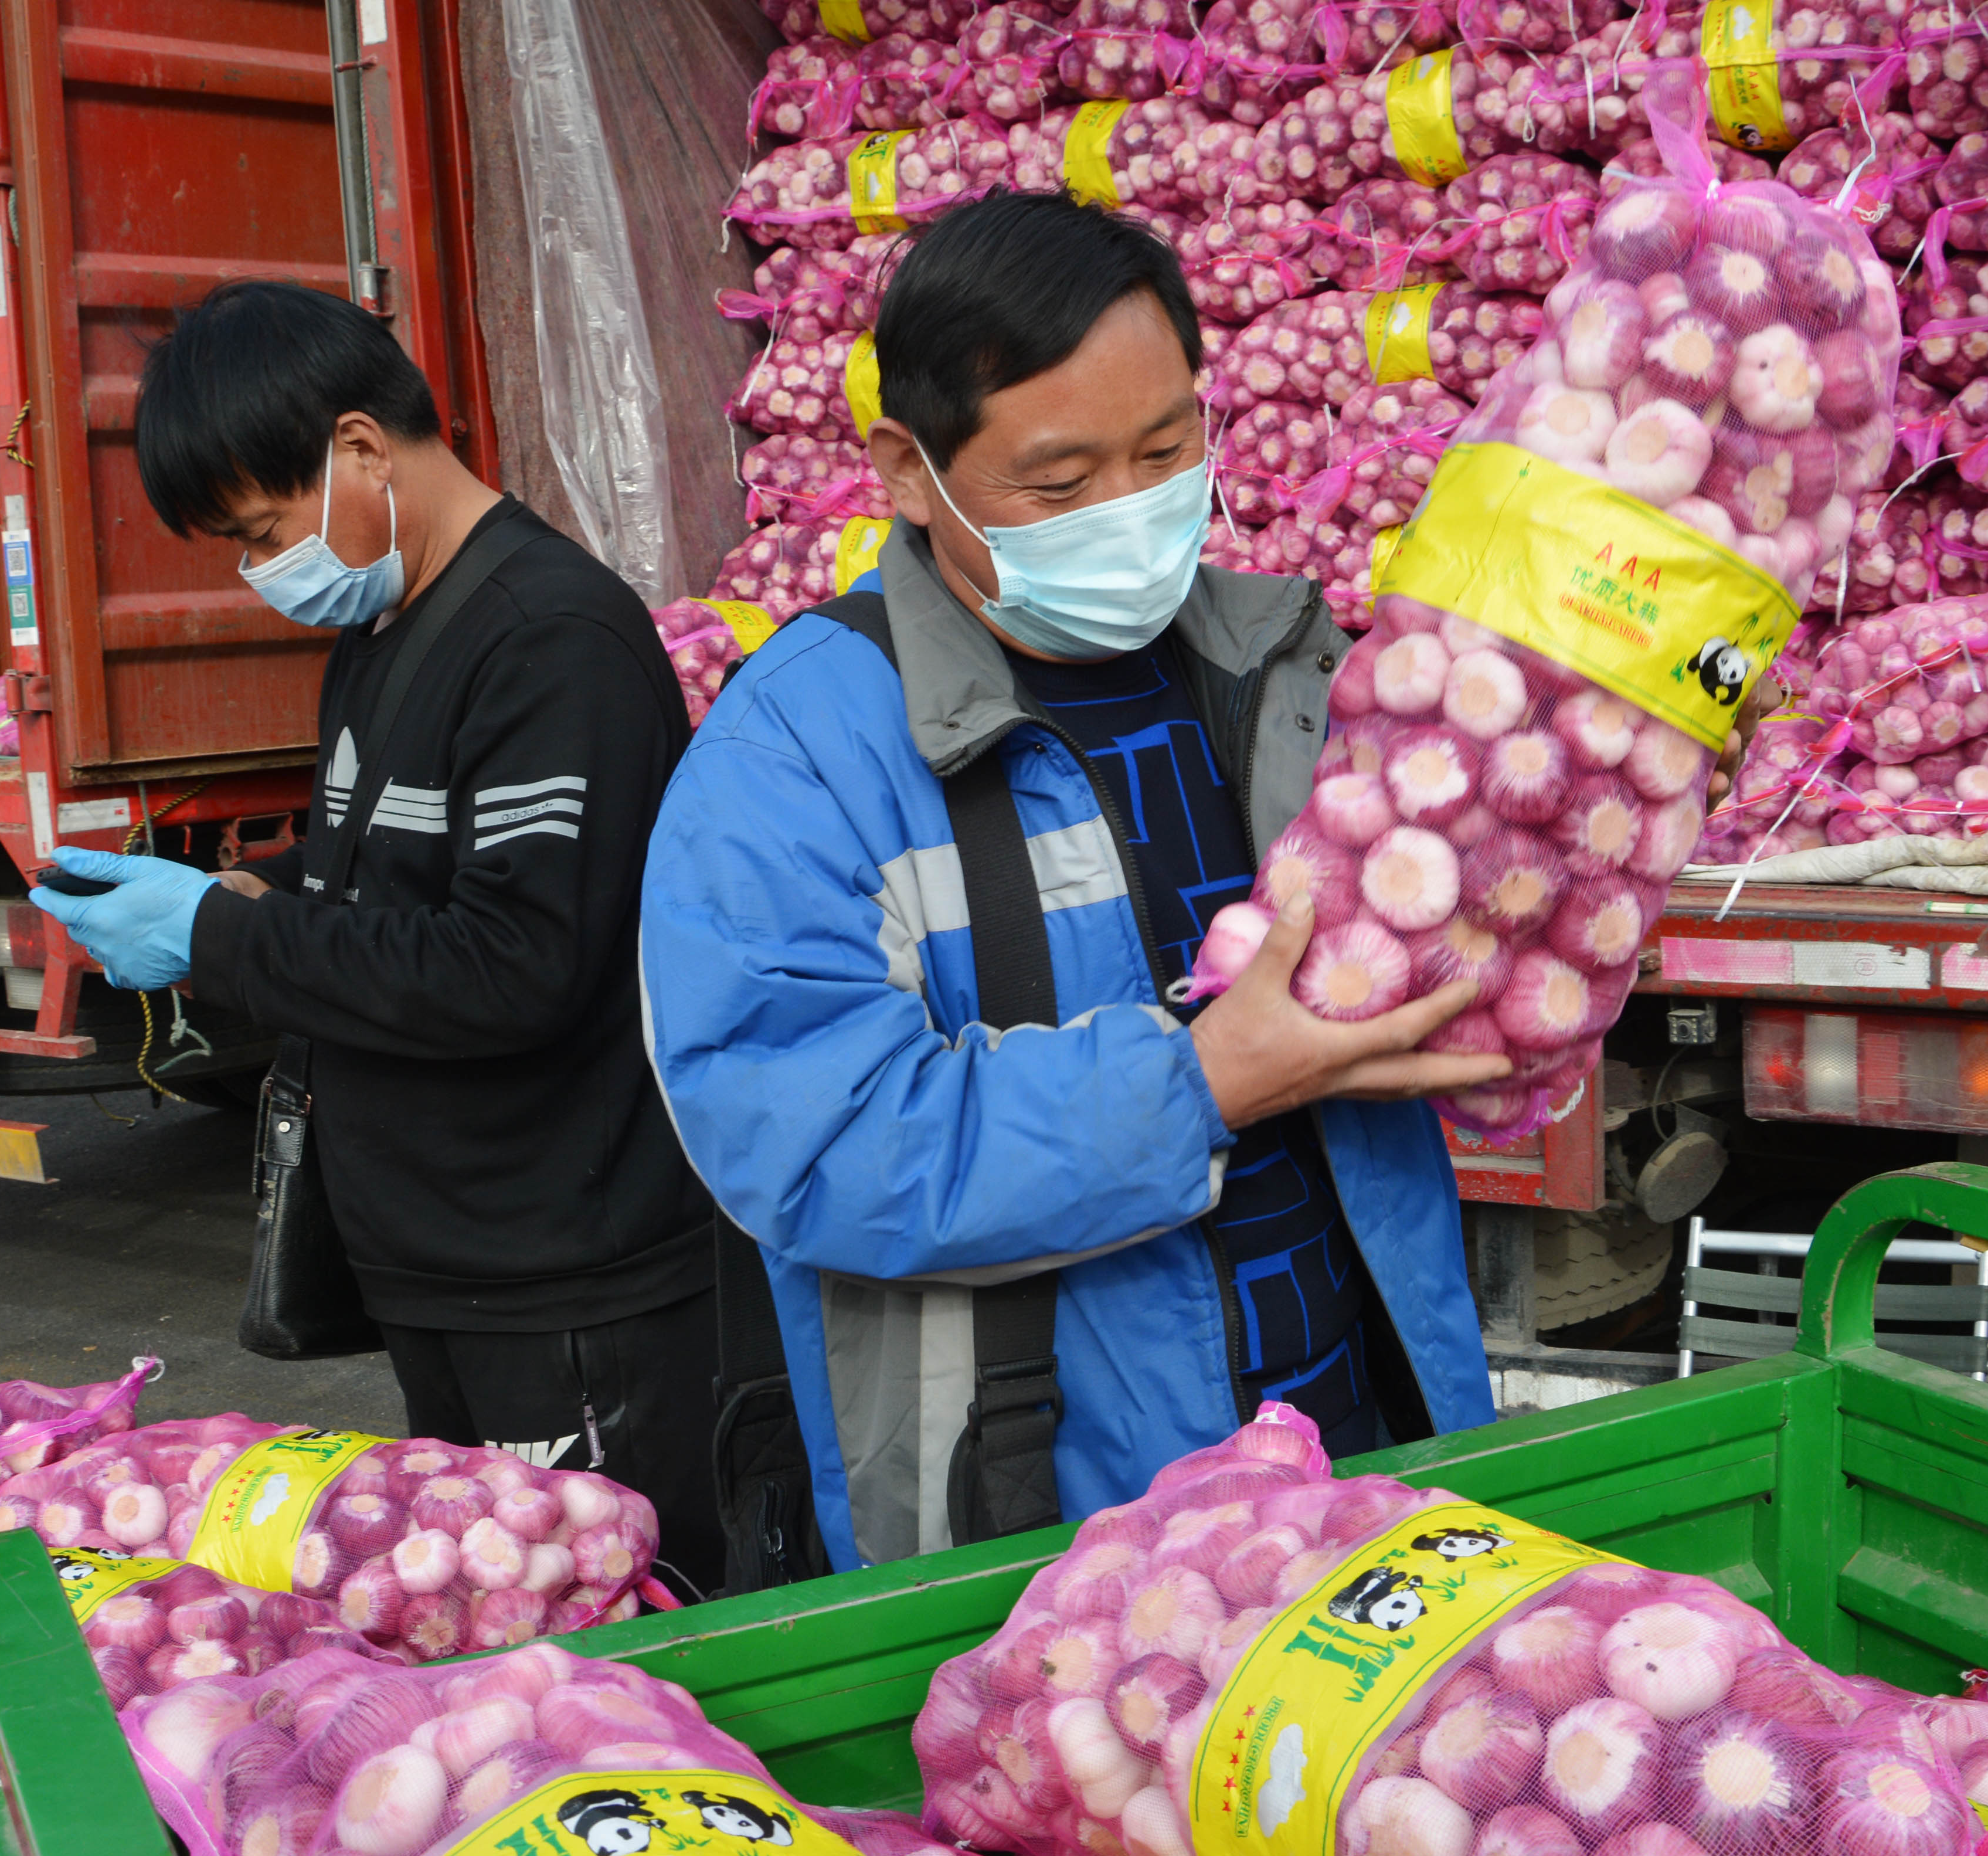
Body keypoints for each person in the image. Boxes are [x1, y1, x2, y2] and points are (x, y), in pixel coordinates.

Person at [640, 194, 1506, 1572]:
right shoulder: (795, 751)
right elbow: (812, 1152)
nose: (1127, 514)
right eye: (1056, 483)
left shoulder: (1293, 672)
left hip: (1374, 1442)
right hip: (1049, 1523)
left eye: (1167, 452)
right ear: (907, 471)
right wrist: (1202, 1083)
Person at [32, 281, 722, 1591]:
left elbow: (516, 966)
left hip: (566, 1274)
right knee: (491, 1621)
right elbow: (382, 870)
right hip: (438, 1259)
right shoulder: (387, 620)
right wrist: (236, 897)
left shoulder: (548, 639)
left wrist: (219, 945)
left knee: (612, 1621)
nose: (259, 571)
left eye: (262, 529)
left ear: (359, 449)